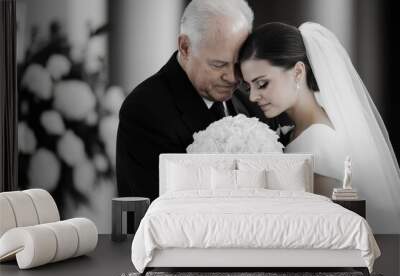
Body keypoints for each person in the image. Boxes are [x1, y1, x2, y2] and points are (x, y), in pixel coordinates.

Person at [238, 22, 400, 233]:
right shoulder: (302, 130)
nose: (252, 97)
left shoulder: (319, 144)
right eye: (248, 86)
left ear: (297, 72)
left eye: (262, 83)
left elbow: (326, 228)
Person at [116, 0, 272, 204]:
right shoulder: (145, 109)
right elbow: (157, 210)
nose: (233, 78)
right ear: (185, 47)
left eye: (238, 64)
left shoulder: (251, 100)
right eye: (218, 64)